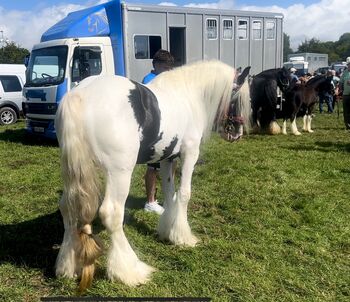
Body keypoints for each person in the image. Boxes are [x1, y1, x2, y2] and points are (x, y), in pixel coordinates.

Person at [142, 49, 175, 214]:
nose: (169, 69)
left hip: (168, 129)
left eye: (170, 66)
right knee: (152, 167)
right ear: (157, 65)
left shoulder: (165, 78)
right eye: (166, 66)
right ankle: (150, 201)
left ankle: (168, 194)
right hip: (155, 132)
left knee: (170, 163)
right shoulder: (149, 81)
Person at [339, 62, 350, 129]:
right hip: (345, 94)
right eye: (349, 65)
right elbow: (341, 82)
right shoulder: (345, 72)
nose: (349, 66)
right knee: (346, 111)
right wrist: (340, 88)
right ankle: (348, 125)